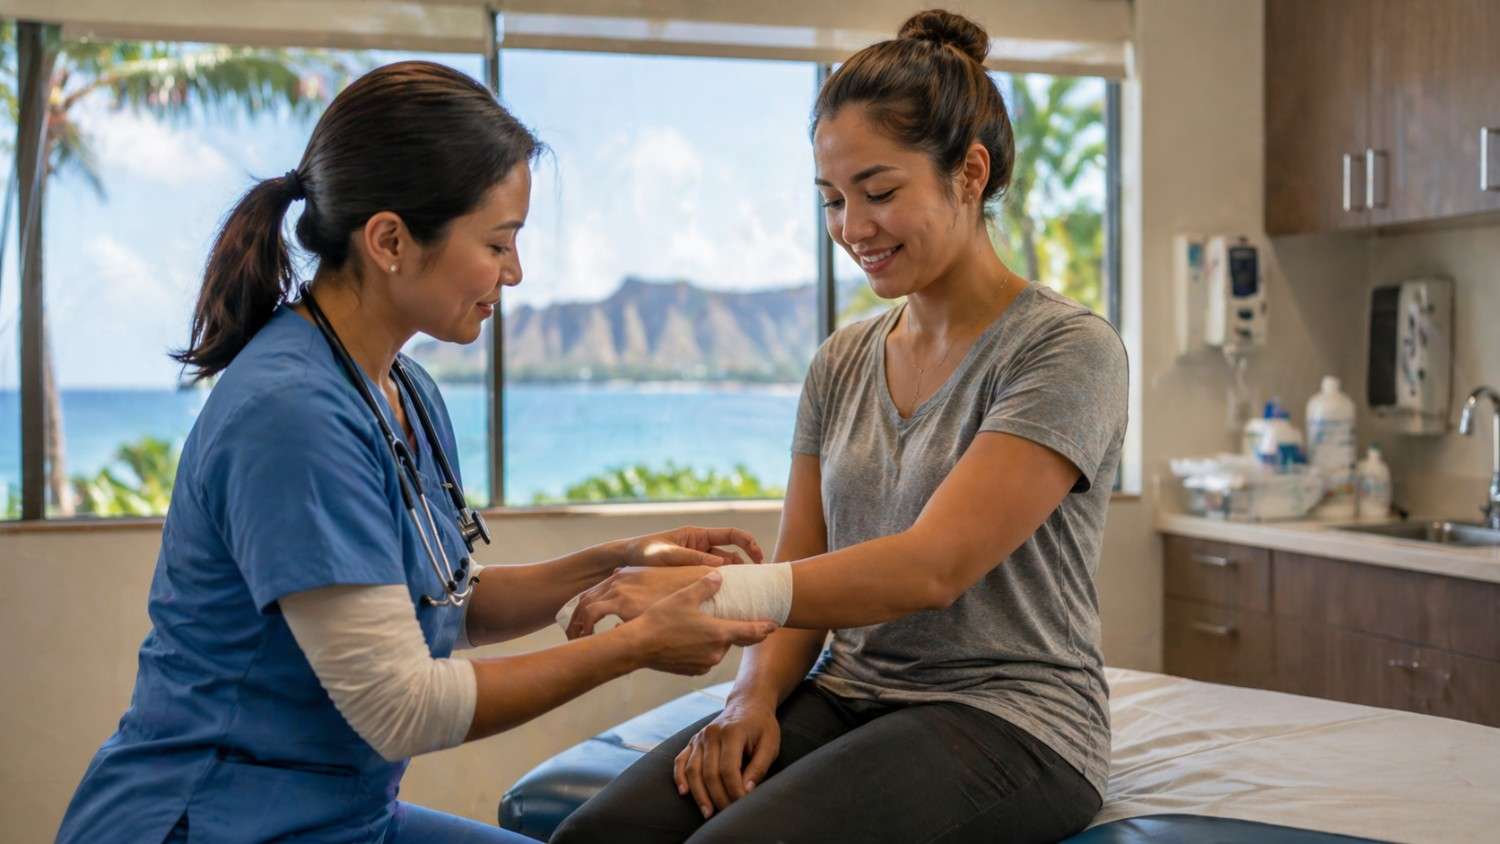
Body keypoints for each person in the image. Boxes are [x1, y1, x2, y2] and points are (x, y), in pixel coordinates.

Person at [54, 61, 778, 844]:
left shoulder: (403, 390)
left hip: (344, 817)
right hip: (212, 821)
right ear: (391, 240)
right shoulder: (291, 414)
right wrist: (635, 646)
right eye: (498, 242)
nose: (516, 271)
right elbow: (400, 706)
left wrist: (621, 558)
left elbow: (448, 606)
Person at [552, 9, 1128, 843]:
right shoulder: (841, 362)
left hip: (1013, 718)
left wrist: (711, 594)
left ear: (970, 173)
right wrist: (750, 696)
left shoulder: (1065, 350)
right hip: (850, 690)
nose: (853, 229)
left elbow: (933, 568)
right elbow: (806, 562)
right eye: (832, 199)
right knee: (594, 839)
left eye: (880, 192)